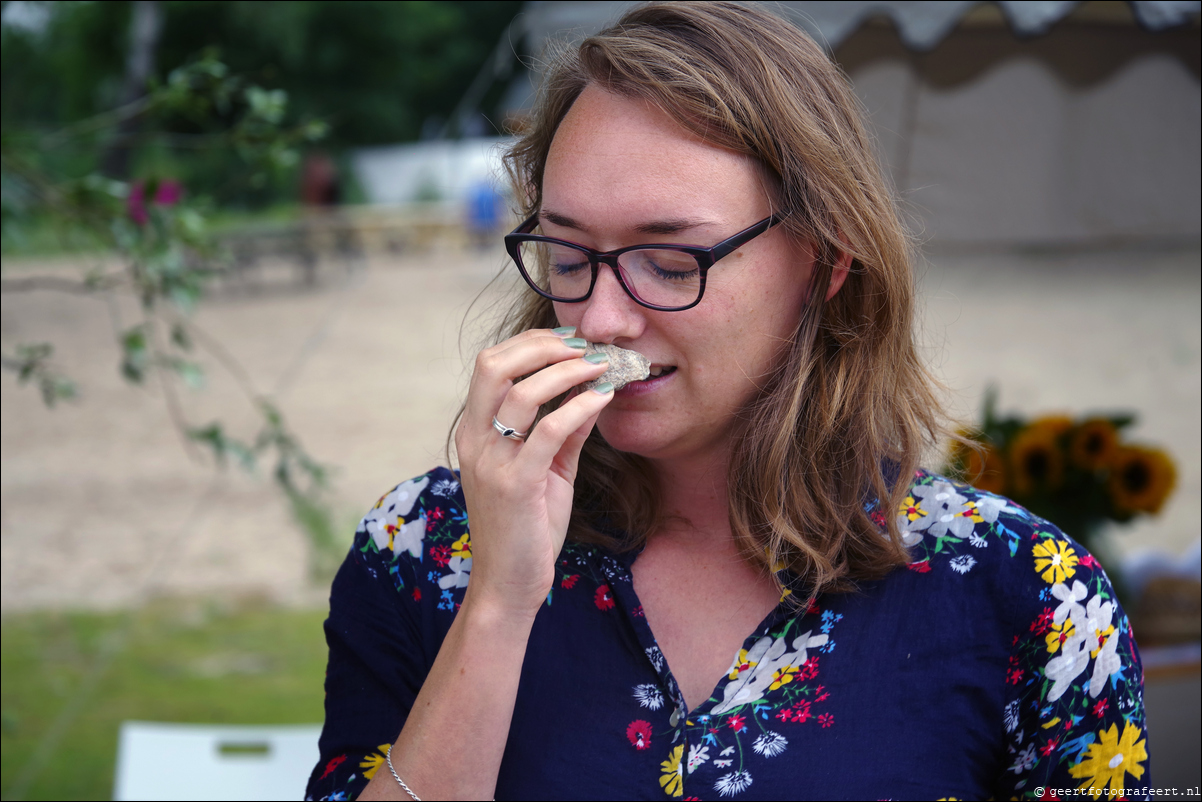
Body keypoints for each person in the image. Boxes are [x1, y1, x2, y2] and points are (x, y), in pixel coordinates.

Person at [306, 3, 1148, 799]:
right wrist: (496, 605)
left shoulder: (1026, 598)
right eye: (567, 255)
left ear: (825, 261)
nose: (601, 316)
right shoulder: (421, 552)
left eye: (672, 265)